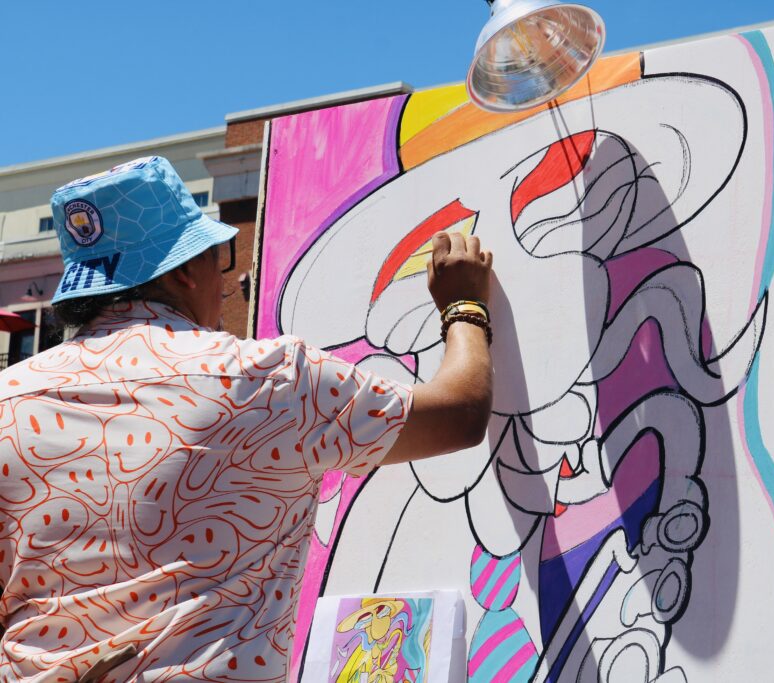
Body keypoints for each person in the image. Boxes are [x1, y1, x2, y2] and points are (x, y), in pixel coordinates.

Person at [0, 156, 494, 681]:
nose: (228, 274)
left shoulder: (8, 402)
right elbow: (458, 415)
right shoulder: (268, 379)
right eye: (220, 255)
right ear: (187, 269)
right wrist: (464, 305)